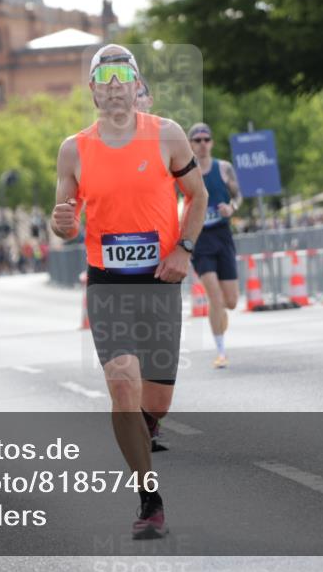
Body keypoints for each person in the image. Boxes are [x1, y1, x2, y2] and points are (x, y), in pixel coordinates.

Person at [50, 45, 207, 540]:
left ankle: (147, 426)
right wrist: (61, 223)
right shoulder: (74, 148)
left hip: (160, 281)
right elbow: (65, 221)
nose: (114, 83)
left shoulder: (167, 134)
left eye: (124, 74)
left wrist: (183, 249)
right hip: (107, 284)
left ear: (138, 85)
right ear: (93, 89)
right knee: (122, 383)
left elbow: (197, 196)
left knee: (155, 400)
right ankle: (149, 496)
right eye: (104, 75)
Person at [187, 123, 243, 369]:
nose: (202, 144)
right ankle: (221, 351)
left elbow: (239, 196)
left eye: (205, 139)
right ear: (189, 144)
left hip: (222, 236)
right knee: (215, 297)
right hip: (200, 239)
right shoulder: (185, 170)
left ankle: (220, 315)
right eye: (196, 140)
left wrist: (231, 208)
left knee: (230, 302)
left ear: (211, 142)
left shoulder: (224, 168)